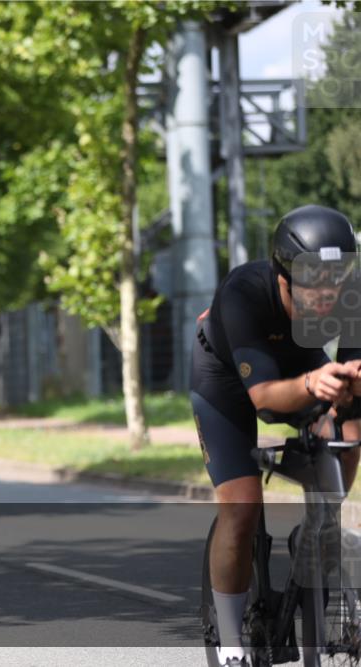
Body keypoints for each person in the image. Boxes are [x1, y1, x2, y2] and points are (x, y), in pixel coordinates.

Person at [192, 204, 361, 667]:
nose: (329, 295)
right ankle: (230, 645)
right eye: (314, 283)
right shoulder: (244, 293)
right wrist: (314, 384)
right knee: (241, 508)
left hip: (300, 363)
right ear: (283, 277)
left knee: (347, 431)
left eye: (339, 279)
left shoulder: (353, 296)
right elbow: (264, 399)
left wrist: (347, 395)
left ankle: (317, 530)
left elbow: (352, 396)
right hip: (227, 380)